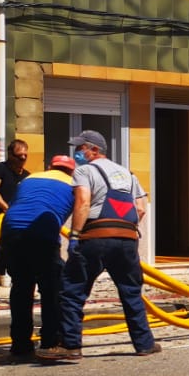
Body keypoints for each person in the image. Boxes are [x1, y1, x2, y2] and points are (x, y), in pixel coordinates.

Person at [42, 131, 158, 361]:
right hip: (126, 240)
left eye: (81, 148)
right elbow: (141, 208)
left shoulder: (85, 171)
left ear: (94, 149)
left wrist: (74, 235)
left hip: (95, 238)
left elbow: (83, 202)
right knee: (131, 292)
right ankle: (145, 344)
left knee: (72, 291)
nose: (77, 153)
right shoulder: (128, 173)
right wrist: (124, 231)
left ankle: (71, 346)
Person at [0, 156, 77, 362]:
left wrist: (0, 255)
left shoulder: (29, 179)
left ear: (50, 166)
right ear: (71, 171)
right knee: (52, 290)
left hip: (11, 230)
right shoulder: (73, 184)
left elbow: (15, 207)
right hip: (42, 234)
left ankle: (20, 344)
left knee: (21, 288)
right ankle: (50, 341)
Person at [0, 139, 32, 301]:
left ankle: (24, 286)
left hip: (18, 221)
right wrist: (6, 207)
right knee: (1, 250)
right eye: (19, 156)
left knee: (23, 252)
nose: (23, 159)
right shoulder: (0, 169)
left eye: (25, 156)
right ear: (11, 154)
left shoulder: (27, 176)